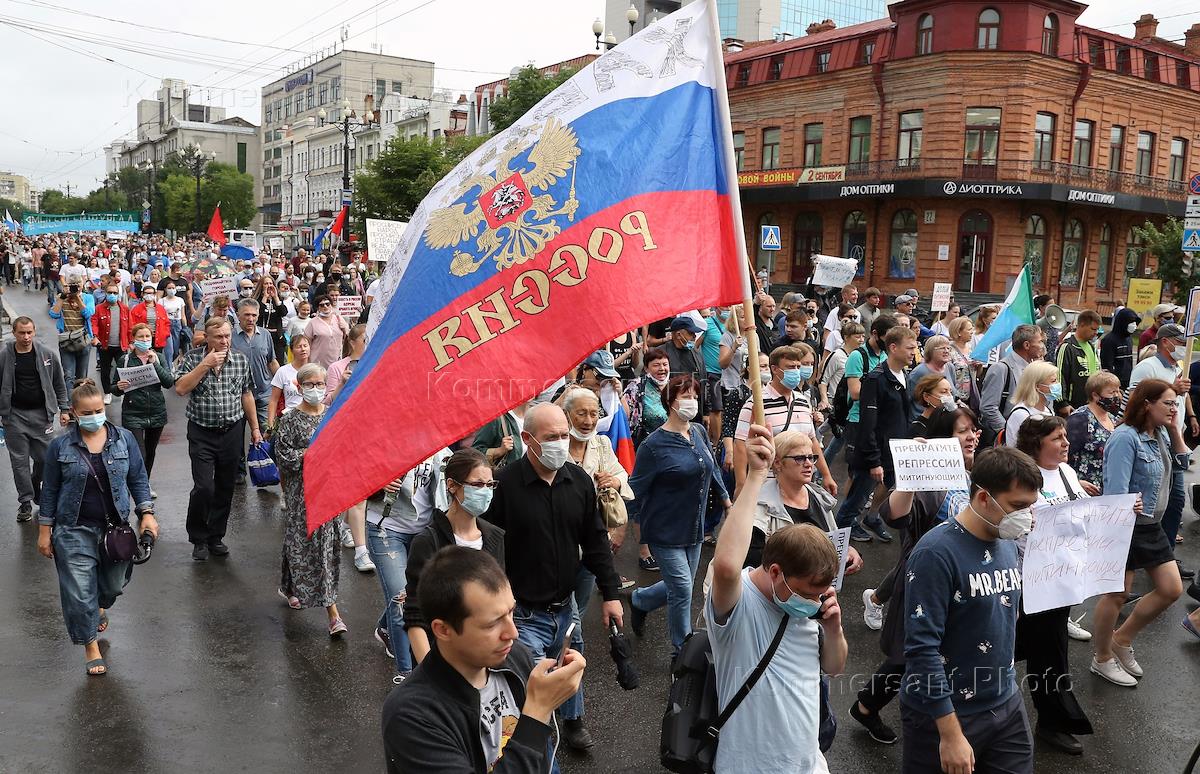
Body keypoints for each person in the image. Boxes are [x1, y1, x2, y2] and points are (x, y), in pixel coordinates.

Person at [482, 402, 624, 751]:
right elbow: (489, 550)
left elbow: (595, 541)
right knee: (535, 687)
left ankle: (573, 720)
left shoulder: (578, 481)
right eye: (551, 437)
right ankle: (536, 745)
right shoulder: (504, 486)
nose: (560, 443)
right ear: (527, 439)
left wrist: (611, 593)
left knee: (570, 663)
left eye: (564, 435)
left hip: (566, 606)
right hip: (524, 612)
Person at [707, 422, 846, 773]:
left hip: (809, 764)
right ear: (774, 572)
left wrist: (833, 629)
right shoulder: (740, 605)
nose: (814, 603)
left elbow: (833, 668)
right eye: (807, 593)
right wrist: (755, 475)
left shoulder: (809, 604)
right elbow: (726, 566)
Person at [900, 446, 1041, 774]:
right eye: (1018, 506)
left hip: (1005, 703)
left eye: (1030, 506)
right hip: (944, 716)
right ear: (983, 498)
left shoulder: (1006, 542)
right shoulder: (935, 554)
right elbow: (922, 648)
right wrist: (950, 734)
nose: (1027, 516)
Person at [381, 547, 585, 773]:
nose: (513, 633)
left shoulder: (515, 657)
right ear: (443, 630)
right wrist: (538, 711)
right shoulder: (411, 716)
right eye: (492, 624)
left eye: (511, 612)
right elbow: (531, 733)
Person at [852, 406, 981, 744]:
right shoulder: (930, 480)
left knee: (925, 654)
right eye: (962, 431)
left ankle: (870, 705)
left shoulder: (971, 476)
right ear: (941, 440)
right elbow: (893, 515)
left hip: (961, 584)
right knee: (914, 654)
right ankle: (870, 707)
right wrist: (913, 470)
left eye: (973, 430)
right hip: (926, 585)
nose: (971, 437)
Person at [37, 377, 156, 676]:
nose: (94, 417)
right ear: (75, 413)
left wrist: (146, 513)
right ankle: (91, 645)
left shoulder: (124, 439)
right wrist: (44, 530)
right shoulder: (60, 446)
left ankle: (99, 605)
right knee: (79, 592)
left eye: (97, 411)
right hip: (72, 529)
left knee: (113, 586)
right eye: (86, 413)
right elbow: (49, 489)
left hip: (115, 529)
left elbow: (138, 479)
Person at [1094, 379, 1188, 686]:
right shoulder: (1125, 437)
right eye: (1168, 403)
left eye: (1175, 403)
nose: (1174, 409)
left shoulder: (1159, 432)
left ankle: (1121, 639)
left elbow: (1182, 462)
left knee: (1171, 589)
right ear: (1147, 404)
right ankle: (1102, 658)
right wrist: (1125, 504)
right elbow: (1115, 490)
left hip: (1150, 525)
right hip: (1126, 526)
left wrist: (1175, 430)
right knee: (1117, 594)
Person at [627, 376, 731, 654]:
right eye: (685, 396)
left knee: (679, 585)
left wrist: (726, 500)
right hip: (663, 529)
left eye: (695, 396)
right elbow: (635, 488)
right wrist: (627, 529)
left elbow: (712, 467)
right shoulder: (652, 445)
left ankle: (640, 600)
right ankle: (682, 652)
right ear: (670, 402)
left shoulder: (698, 431)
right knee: (683, 589)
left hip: (694, 526)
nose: (692, 402)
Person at [1013, 416, 1097, 753]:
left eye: (1065, 436)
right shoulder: (1020, 476)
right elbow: (1010, 525)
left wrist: (1119, 511)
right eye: (1057, 438)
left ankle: (1052, 722)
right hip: (1029, 581)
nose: (1066, 443)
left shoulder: (1067, 473)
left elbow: (1082, 514)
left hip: (1061, 579)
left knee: (1046, 650)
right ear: (1037, 444)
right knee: (1043, 652)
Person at [404, 449, 506, 664]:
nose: (485, 492)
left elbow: (501, 602)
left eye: (490, 485)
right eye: (477, 485)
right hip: (439, 658)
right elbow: (415, 616)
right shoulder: (428, 542)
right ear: (452, 485)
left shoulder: (495, 537)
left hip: (484, 659)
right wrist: (429, 674)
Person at [174, 317, 263, 561]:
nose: (224, 341)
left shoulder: (240, 360)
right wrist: (205, 365)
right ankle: (198, 538)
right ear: (207, 338)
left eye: (227, 336)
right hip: (201, 431)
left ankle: (215, 537)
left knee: (225, 486)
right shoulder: (193, 358)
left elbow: (246, 394)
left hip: (232, 431)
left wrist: (255, 428)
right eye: (218, 337)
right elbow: (180, 389)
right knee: (204, 487)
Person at [366, 447, 452, 680]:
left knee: (419, 593)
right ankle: (407, 675)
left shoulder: (439, 445)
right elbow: (358, 481)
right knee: (400, 600)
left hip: (425, 532)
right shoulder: (385, 443)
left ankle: (385, 628)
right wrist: (378, 484)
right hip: (386, 529)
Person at [274, 363, 346, 636]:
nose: (315, 389)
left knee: (325, 544)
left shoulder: (332, 416)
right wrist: (309, 455)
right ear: (299, 386)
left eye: (319, 384)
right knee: (302, 538)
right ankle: (331, 612)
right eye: (309, 384)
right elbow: (283, 457)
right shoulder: (290, 419)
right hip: (301, 492)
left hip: (330, 491)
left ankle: (328, 609)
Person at [840, 326, 918, 541]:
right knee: (855, 501)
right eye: (909, 348)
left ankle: (872, 518)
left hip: (893, 452)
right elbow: (868, 424)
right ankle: (838, 539)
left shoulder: (904, 376)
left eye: (915, 347)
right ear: (893, 348)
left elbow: (899, 417)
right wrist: (874, 461)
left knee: (887, 488)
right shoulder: (876, 379)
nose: (914, 352)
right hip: (874, 455)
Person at [733, 345, 838, 498]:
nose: (796, 372)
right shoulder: (756, 403)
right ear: (775, 369)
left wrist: (826, 475)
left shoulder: (803, 401)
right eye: (790, 367)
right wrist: (741, 485)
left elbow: (812, 441)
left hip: (800, 486)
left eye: (798, 367)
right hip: (768, 486)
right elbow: (740, 445)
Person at [562, 388, 635, 586]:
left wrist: (615, 481)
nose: (588, 421)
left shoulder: (602, 443)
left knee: (584, 593)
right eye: (581, 413)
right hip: (561, 538)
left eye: (594, 414)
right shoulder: (556, 446)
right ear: (567, 415)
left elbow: (621, 473)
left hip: (594, 539)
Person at [1, 317, 70, 522]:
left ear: (34, 331)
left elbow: (59, 383)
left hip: (42, 415)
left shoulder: (47, 354)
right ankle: (25, 502)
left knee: (46, 459)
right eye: (22, 333)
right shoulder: (4, 356)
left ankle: (35, 483)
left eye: (29, 332)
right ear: (14, 332)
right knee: (19, 462)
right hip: (14, 417)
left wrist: (64, 409)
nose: (26, 337)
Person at [110, 323, 173, 490]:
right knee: (139, 452)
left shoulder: (159, 357)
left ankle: (144, 483)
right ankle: (140, 486)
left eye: (147, 337)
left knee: (150, 452)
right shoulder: (125, 360)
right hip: (133, 412)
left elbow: (168, 382)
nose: (144, 340)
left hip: (156, 411)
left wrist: (155, 364)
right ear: (134, 339)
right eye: (141, 337)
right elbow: (113, 388)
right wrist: (119, 387)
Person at [231, 297, 279, 484]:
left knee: (268, 430)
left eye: (254, 315)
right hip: (237, 394)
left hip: (264, 392)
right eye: (246, 315)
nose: (250, 319)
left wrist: (284, 381)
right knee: (237, 435)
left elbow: (272, 361)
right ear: (238, 315)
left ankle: (269, 467)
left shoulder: (265, 334)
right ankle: (239, 471)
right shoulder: (231, 336)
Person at [979, 324, 1046, 444]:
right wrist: (1008, 431)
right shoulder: (1001, 368)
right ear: (1026, 345)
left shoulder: (1033, 368)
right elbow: (988, 407)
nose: (1042, 346)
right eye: (1040, 342)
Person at [1066, 372, 1121, 489]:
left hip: (1108, 487)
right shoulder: (1080, 419)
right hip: (1085, 488)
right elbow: (1065, 454)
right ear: (1095, 395)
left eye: (1118, 391)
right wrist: (1075, 482)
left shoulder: (1112, 418)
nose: (1117, 396)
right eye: (1112, 393)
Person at [90, 281, 131, 405]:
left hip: (121, 346)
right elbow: (94, 323)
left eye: (115, 293)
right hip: (105, 346)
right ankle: (107, 393)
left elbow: (130, 327)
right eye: (110, 292)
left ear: (118, 294)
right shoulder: (99, 308)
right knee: (105, 370)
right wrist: (95, 336)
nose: (112, 295)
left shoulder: (124, 309)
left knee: (123, 370)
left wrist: (132, 342)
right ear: (105, 293)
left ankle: (122, 392)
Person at [624, 346, 671, 451]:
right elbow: (625, 416)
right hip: (646, 446)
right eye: (656, 365)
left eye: (665, 364)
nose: (662, 368)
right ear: (646, 368)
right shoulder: (636, 386)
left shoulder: (675, 386)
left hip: (673, 444)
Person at [1003, 361, 1059, 446]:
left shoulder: (1049, 412)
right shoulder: (1021, 414)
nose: (1057, 384)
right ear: (1037, 386)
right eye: (1053, 381)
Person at [48, 280, 94, 384]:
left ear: (82, 285)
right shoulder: (61, 297)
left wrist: (77, 297)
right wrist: (62, 297)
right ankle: (69, 395)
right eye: (71, 284)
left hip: (83, 341)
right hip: (66, 341)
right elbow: (53, 314)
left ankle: (79, 395)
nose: (74, 287)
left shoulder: (88, 298)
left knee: (82, 377)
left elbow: (88, 314)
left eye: (77, 284)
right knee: (68, 376)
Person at [1056, 310, 1101, 409]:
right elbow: (1059, 375)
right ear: (1081, 325)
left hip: (1090, 404)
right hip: (1072, 406)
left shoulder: (1091, 346)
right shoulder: (1067, 347)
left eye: (1097, 329)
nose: (1096, 333)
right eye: (1093, 329)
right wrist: (1062, 403)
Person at [267, 335, 311, 428]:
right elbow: (273, 400)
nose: (303, 349)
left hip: (311, 419)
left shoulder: (315, 370)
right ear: (292, 350)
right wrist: (270, 425)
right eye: (299, 347)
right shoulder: (283, 371)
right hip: (289, 420)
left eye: (305, 346)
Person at [473, 400, 529, 468]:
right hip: (507, 473)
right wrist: (499, 451)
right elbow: (475, 453)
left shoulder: (536, 415)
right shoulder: (496, 418)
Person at [908, 336, 957, 406]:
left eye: (948, 348)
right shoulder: (919, 372)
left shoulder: (950, 367)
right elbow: (912, 399)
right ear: (931, 351)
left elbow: (953, 392)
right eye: (942, 348)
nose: (946, 351)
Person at [129, 284, 171, 365]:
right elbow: (132, 325)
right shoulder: (137, 309)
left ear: (155, 294)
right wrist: (132, 341)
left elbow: (167, 323)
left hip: (158, 339)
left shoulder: (161, 308)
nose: (149, 295)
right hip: (143, 340)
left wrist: (165, 334)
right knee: (143, 360)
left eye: (151, 293)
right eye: (146, 293)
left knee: (157, 360)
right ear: (142, 294)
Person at [306, 293, 350, 368]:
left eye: (327, 304)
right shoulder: (312, 323)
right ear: (318, 308)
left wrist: (344, 330)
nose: (325, 306)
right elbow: (307, 342)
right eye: (322, 305)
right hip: (318, 364)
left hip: (337, 362)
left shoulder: (339, 319)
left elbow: (347, 339)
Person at [1102, 307, 1141, 389]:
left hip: (1128, 382)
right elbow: (1107, 366)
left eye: (1135, 322)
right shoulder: (1109, 340)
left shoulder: (1129, 339)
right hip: (1115, 384)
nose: (1134, 325)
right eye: (1131, 322)